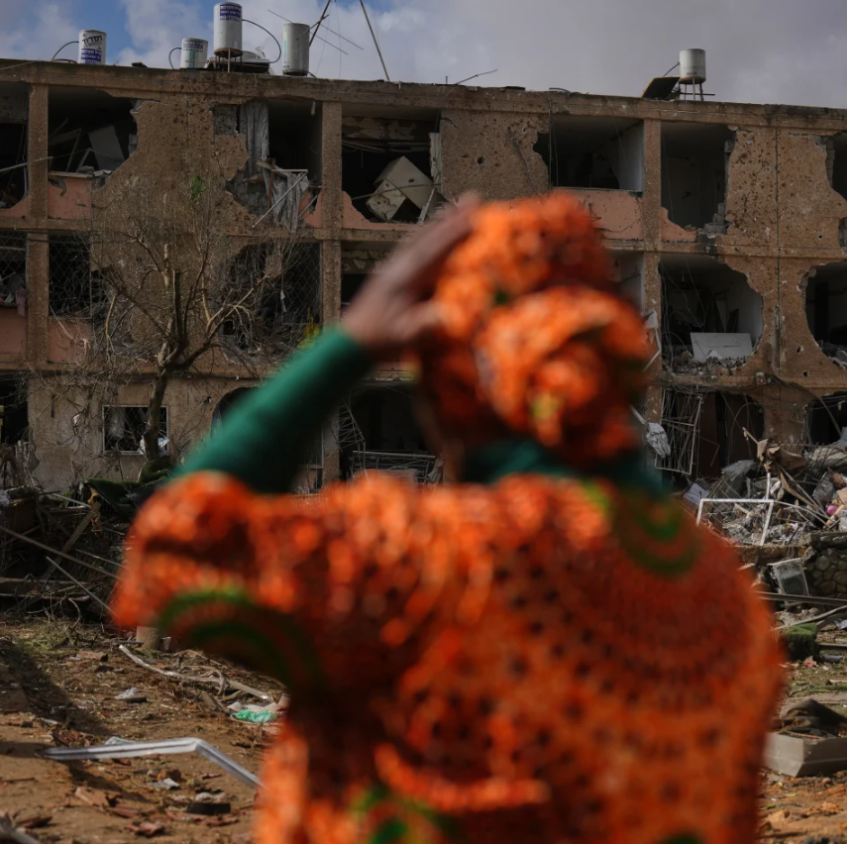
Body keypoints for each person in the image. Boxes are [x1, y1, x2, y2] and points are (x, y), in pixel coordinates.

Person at [111, 193, 785, 844]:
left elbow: (176, 553)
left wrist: (347, 346)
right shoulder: (730, 605)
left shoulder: (428, 559)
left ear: (456, 390)